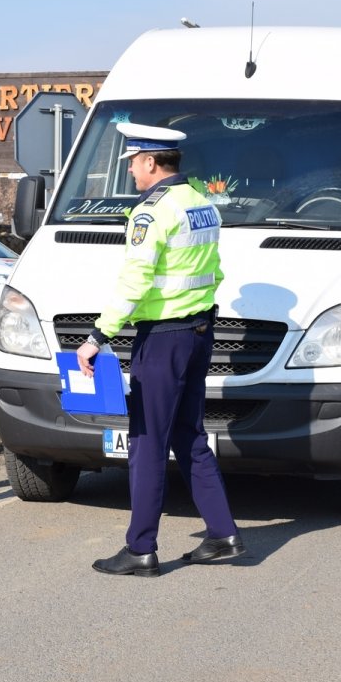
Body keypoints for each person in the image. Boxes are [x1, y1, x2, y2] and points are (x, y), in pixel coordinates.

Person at [78, 122, 243, 578]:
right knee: (188, 434)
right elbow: (213, 272)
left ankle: (141, 549)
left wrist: (97, 336)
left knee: (147, 440)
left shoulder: (151, 212)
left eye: (133, 162)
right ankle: (223, 534)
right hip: (198, 333)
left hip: (165, 338)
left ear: (151, 162)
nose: (131, 171)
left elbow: (136, 279)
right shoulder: (201, 204)